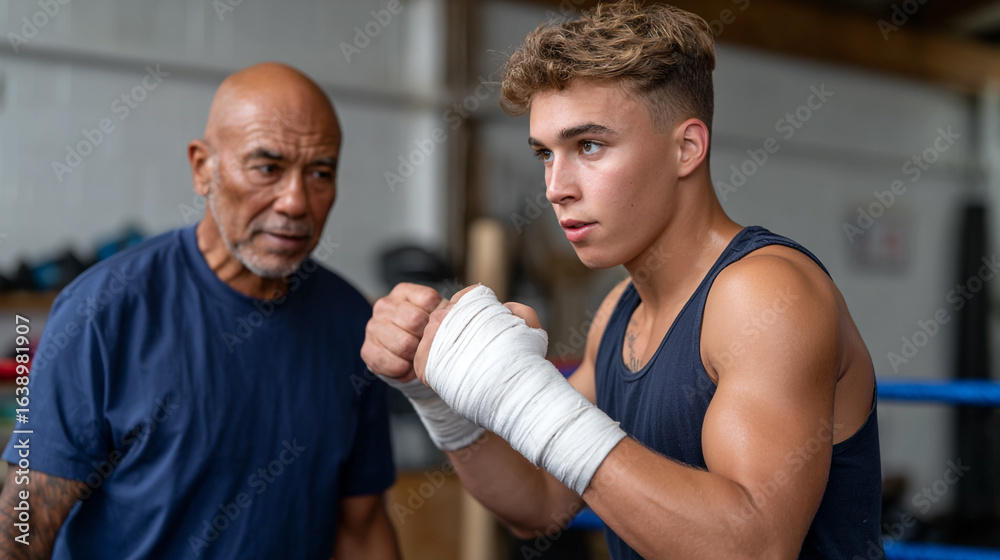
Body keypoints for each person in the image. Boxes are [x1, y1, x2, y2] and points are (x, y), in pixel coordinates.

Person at [362, 2, 883, 559]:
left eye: (588, 146)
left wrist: (524, 396)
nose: (555, 188)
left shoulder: (765, 295)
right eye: (545, 153)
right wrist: (435, 394)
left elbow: (754, 546)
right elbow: (539, 505)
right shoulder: (619, 312)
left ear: (687, 148)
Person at [0, 63, 400, 559]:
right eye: (267, 168)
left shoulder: (351, 325)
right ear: (202, 168)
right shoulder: (103, 311)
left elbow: (361, 529)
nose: (296, 201)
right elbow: (26, 522)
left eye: (320, 172)